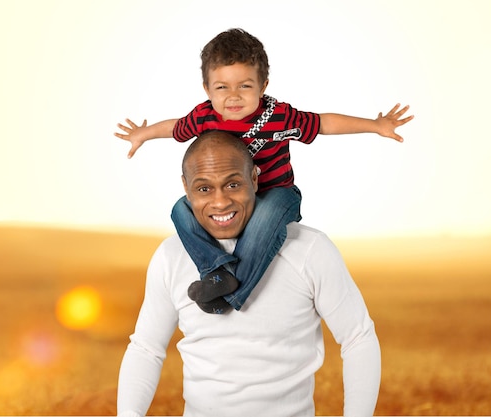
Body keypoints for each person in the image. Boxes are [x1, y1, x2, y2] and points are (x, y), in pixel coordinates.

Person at [115, 28, 413, 314]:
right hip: (232, 200)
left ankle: (231, 297)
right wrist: (144, 134)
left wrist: (375, 126)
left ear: (263, 85)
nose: (233, 97)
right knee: (181, 209)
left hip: (275, 193)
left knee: (264, 220)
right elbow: (175, 127)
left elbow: (323, 124)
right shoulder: (203, 116)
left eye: (244, 86)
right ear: (207, 89)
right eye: (222, 88)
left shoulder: (279, 116)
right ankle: (216, 271)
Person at [116, 130, 381, 417]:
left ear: (254, 179)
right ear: (186, 187)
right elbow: (146, 348)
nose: (220, 202)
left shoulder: (310, 250)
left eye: (232, 184)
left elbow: (358, 338)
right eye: (204, 188)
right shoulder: (171, 256)